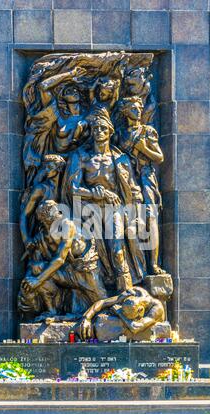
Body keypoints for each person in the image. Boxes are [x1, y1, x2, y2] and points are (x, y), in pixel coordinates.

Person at [62, 108, 147, 291]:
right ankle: (99, 293)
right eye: (95, 129)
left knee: (117, 251)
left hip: (114, 208)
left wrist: (137, 214)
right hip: (88, 209)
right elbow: (72, 189)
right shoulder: (81, 157)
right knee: (93, 254)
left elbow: (133, 189)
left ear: (110, 131)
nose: (99, 132)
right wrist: (94, 193)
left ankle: (125, 293)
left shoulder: (121, 159)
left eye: (102, 128)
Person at [18, 200, 107, 321]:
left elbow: (60, 259)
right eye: (43, 220)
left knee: (102, 303)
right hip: (68, 272)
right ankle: (52, 311)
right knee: (37, 267)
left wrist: (37, 281)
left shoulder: (67, 225)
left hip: (85, 271)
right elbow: (39, 259)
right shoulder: (44, 234)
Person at [115, 96, 165, 275]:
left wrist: (143, 148)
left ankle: (153, 264)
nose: (137, 111)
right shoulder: (119, 133)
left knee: (151, 218)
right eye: (133, 108)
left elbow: (159, 158)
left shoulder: (147, 131)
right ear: (125, 111)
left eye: (139, 108)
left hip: (145, 177)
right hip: (126, 178)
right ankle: (133, 266)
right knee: (131, 219)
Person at [23, 66, 89, 185]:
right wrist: (70, 74)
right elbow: (43, 86)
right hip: (55, 164)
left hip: (80, 165)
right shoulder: (58, 116)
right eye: (68, 91)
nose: (73, 92)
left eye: (75, 90)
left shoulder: (88, 117)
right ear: (62, 97)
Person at [19, 154, 66, 257]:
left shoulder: (65, 188)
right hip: (44, 240)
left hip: (65, 236)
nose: (46, 170)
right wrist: (26, 239)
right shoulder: (41, 189)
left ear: (58, 168)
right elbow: (24, 215)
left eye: (50, 167)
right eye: (45, 167)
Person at [80, 286, 165, 340]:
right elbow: (103, 302)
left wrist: (119, 313)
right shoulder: (132, 293)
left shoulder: (157, 308)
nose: (127, 319)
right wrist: (87, 318)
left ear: (140, 310)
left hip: (145, 334)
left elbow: (136, 327)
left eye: (131, 318)